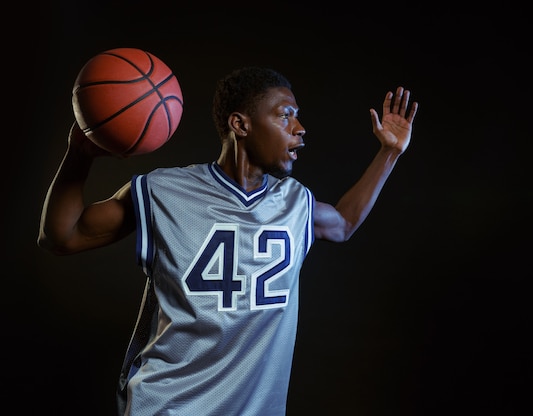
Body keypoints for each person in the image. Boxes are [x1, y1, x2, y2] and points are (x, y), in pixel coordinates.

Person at [38, 66, 418, 415]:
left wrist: (389, 153)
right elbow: (63, 236)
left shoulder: (295, 203)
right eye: (286, 114)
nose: (299, 127)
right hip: (166, 406)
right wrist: (78, 154)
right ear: (240, 124)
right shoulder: (164, 191)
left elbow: (345, 223)